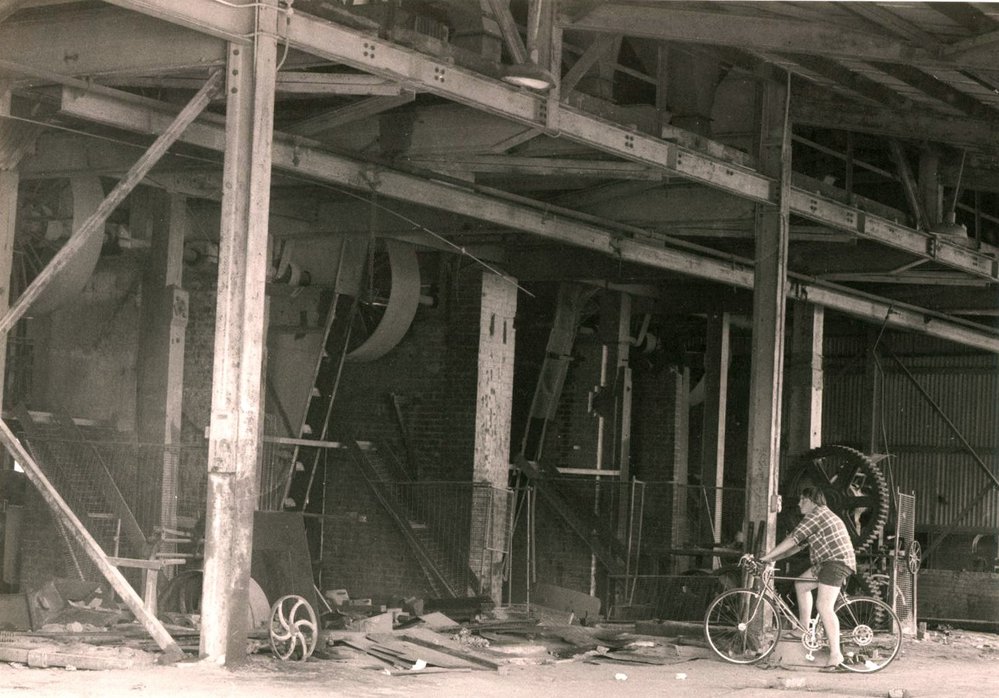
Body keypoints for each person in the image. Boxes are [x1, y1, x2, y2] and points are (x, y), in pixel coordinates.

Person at [759, 487, 856, 672]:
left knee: (824, 606)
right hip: (827, 562)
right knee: (801, 584)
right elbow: (796, 547)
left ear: (812, 500)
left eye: (802, 500)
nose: (798, 504)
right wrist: (771, 558)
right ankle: (803, 628)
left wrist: (766, 557)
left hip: (835, 562)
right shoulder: (817, 518)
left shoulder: (817, 514)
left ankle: (836, 655)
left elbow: (793, 538)